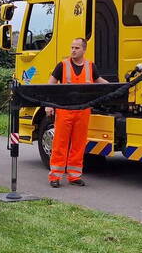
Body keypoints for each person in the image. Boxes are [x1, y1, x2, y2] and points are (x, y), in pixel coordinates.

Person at [45, 37, 109, 187]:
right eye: (72, 47)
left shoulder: (90, 66)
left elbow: (100, 82)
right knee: (60, 143)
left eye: (76, 48)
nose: (73, 50)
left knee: (79, 144)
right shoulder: (62, 65)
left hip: (83, 111)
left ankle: (74, 176)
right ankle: (55, 177)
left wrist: (119, 88)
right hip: (64, 110)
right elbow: (50, 85)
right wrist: (48, 105)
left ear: (84, 50)